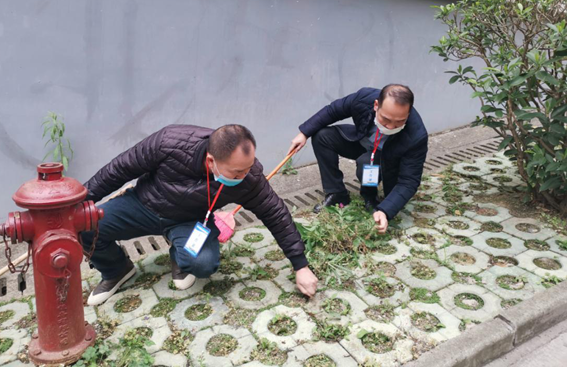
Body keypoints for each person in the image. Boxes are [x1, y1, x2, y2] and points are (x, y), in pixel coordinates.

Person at [82, 124, 318, 305]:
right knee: (84, 225)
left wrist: (300, 266)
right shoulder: (169, 142)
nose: (244, 176)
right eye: (237, 172)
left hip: (189, 220)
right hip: (142, 205)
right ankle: (117, 269)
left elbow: (276, 214)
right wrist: (78, 201)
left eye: (249, 168)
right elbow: (118, 170)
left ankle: (180, 253)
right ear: (211, 161)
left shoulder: (249, 178)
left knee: (203, 264)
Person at [288, 85, 428, 234]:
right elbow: (333, 110)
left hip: (385, 159)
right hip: (362, 141)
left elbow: (409, 181)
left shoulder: (417, 135)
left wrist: (385, 211)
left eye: (399, 121)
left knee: (367, 163)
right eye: (385, 119)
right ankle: (337, 194)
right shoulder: (364, 98)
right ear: (376, 105)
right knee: (322, 136)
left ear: (408, 113)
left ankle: (370, 198)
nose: (391, 126)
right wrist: (304, 133)